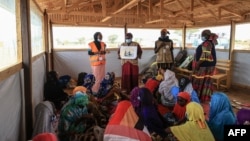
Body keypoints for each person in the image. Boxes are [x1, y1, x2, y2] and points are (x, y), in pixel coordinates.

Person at [191, 29, 218, 102]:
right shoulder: (209, 43)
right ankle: (203, 96)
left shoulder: (207, 43)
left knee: (200, 81)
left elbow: (205, 55)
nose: (201, 37)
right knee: (205, 81)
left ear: (205, 36)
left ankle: (200, 97)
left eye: (202, 35)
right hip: (208, 66)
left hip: (204, 66)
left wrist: (198, 64)